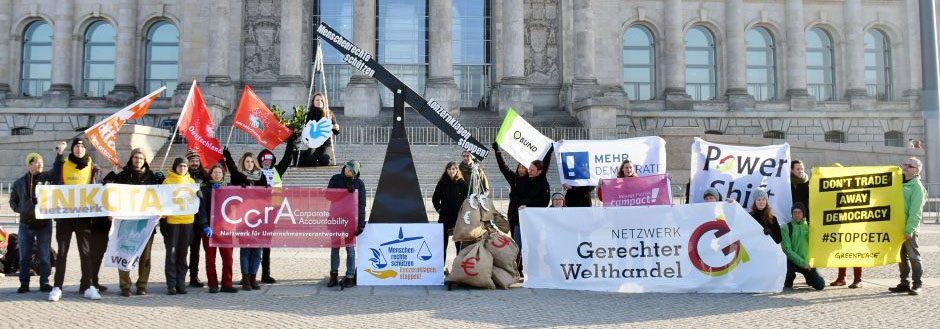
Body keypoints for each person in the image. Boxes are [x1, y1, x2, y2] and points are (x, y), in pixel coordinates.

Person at [102, 148, 164, 297]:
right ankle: (125, 285)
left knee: (145, 257)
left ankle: (142, 285)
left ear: (145, 161)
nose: (138, 160)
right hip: (126, 223)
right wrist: (112, 173)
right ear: (131, 159)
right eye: (136, 157)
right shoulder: (122, 176)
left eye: (141, 158)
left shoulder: (152, 177)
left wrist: (162, 181)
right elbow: (106, 187)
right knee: (124, 252)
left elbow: (161, 195)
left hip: (146, 223)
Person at [49, 138, 103, 301]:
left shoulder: (92, 167)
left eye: (82, 146)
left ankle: (88, 286)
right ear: (72, 149)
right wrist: (59, 154)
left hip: (84, 217)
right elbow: (55, 172)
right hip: (65, 217)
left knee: (86, 253)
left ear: (85, 150)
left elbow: (100, 185)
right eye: (76, 147)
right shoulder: (64, 164)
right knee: (63, 253)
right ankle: (57, 287)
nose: (79, 149)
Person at [10, 152, 59, 294]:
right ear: (29, 164)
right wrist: (21, 209)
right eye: (37, 162)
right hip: (26, 224)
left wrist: (59, 154)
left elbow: (56, 169)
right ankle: (24, 283)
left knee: (44, 255)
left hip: (44, 225)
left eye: (41, 162)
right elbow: (13, 201)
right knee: (24, 256)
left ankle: (44, 282)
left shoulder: (47, 178)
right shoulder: (19, 183)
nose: (40, 164)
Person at [222, 149, 265, 290]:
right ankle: (245, 278)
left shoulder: (261, 177)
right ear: (243, 162)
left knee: (257, 251)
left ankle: (253, 278)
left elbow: (266, 194)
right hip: (243, 218)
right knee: (246, 250)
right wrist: (227, 156)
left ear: (255, 163)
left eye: (252, 161)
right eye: (247, 161)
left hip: (258, 217)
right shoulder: (238, 177)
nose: (250, 164)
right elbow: (233, 170)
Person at [256, 137, 296, 284]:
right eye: (264, 160)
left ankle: (265, 274)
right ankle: (249, 274)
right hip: (255, 213)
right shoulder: (255, 172)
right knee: (252, 245)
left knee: (266, 245)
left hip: (271, 212)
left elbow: (286, 159)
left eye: (269, 160)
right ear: (260, 161)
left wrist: (291, 143)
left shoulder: (276, 171)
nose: (267, 162)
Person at [890, 157, 928, 295]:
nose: (905, 167)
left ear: (916, 170)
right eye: (904, 164)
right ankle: (904, 282)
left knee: (914, 257)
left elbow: (915, 212)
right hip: (897, 227)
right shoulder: (898, 182)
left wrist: (909, 229)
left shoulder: (917, 187)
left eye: (909, 165)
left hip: (909, 228)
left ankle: (917, 284)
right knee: (901, 257)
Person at [327, 160, 366, 288]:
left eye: (350, 170)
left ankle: (349, 276)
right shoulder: (336, 179)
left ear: (355, 172)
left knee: (350, 248)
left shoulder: (359, 184)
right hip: (336, 218)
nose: (346, 170)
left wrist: (360, 224)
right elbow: (328, 195)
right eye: (346, 168)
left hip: (350, 220)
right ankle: (333, 275)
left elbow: (361, 205)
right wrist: (343, 192)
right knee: (335, 247)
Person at [199, 164, 238, 293]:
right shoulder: (204, 189)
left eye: (219, 173)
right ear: (210, 174)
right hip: (209, 229)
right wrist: (205, 225)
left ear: (223, 175)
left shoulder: (228, 188)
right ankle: (213, 284)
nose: (217, 175)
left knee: (228, 257)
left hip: (225, 229)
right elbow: (202, 209)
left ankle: (227, 283)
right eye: (215, 172)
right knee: (210, 258)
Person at [162, 158, 196, 295]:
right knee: (172, 254)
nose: (183, 168)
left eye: (185, 166)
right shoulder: (167, 182)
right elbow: (162, 201)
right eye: (180, 166)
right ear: (175, 167)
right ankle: (171, 284)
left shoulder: (191, 182)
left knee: (183, 254)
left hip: (188, 221)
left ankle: (181, 282)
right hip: (172, 222)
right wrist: (163, 222)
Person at [780, 202, 825, 290]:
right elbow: (787, 250)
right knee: (788, 274)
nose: (796, 215)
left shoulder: (809, 226)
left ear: (803, 213)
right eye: (794, 212)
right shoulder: (786, 227)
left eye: (799, 212)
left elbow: (816, 245)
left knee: (820, 285)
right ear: (792, 214)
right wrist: (802, 263)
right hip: (792, 262)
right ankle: (789, 279)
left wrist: (810, 262)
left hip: (807, 262)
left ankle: (808, 278)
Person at [432, 161, 469, 266]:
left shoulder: (462, 184)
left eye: (453, 169)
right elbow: (435, 199)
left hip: (458, 220)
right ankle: (441, 269)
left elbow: (466, 202)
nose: (451, 171)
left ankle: (458, 269)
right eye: (449, 169)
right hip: (444, 218)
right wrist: (439, 209)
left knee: (459, 246)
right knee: (442, 245)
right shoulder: (442, 183)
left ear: (457, 170)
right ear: (446, 170)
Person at [492, 142, 528, 243]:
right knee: (515, 239)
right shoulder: (514, 178)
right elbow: (504, 167)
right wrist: (497, 151)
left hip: (526, 212)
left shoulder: (531, 181)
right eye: (519, 167)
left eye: (523, 167)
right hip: (513, 212)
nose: (521, 169)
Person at [185, 150, 208, 288]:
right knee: (181, 250)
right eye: (192, 161)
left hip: (198, 219)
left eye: (197, 161)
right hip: (183, 218)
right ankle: (179, 276)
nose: (194, 163)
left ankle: (194, 276)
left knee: (195, 250)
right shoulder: (182, 174)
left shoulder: (204, 176)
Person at [299, 93, 340, 166]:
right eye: (317, 100)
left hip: (326, 144)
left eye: (321, 100)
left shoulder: (329, 114)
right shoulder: (308, 115)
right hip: (312, 143)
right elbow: (305, 130)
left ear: (324, 102)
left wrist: (336, 128)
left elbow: (336, 132)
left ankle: (323, 156)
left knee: (324, 161)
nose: (319, 102)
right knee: (310, 161)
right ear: (313, 102)